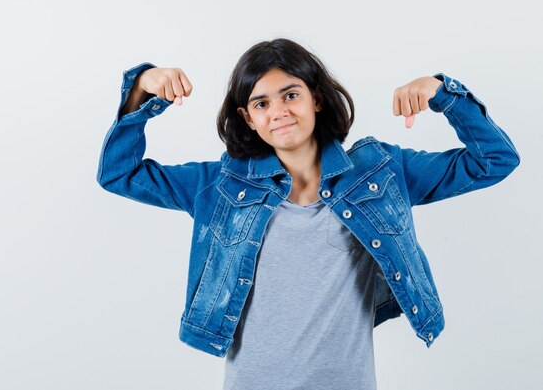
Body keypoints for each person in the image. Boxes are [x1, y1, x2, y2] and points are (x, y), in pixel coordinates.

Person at [96, 38, 520, 390]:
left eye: (291, 95)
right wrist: (141, 91)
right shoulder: (220, 186)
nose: (278, 111)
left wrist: (443, 94)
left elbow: (495, 160)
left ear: (316, 99)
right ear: (248, 118)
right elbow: (118, 174)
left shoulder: (381, 174)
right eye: (261, 103)